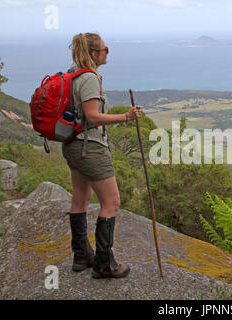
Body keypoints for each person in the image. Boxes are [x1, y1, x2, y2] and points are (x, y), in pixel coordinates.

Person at [63, 32, 140, 279]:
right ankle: (104, 264)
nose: (108, 53)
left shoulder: (72, 73)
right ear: (94, 54)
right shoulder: (89, 78)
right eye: (105, 49)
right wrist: (125, 118)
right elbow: (93, 116)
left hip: (73, 145)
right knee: (112, 202)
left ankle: (81, 255)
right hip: (90, 146)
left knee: (81, 199)